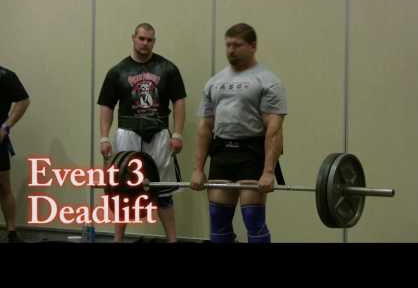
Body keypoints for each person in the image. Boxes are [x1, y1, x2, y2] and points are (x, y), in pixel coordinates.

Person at [191, 23, 287, 243]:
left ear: (253, 46)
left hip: (251, 154)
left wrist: (269, 171)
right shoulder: (214, 82)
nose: (231, 50)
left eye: (237, 45)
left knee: (253, 219)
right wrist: (197, 169)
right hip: (222, 153)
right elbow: (205, 127)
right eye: (228, 45)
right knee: (218, 221)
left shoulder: (268, 81)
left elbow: (274, 129)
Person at [97, 23, 186, 243]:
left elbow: (179, 101)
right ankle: (118, 239)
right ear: (133, 38)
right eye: (142, 39)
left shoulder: (168, 69)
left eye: (150, 40)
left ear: (154, 42)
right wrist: (104, 136)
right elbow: (107, 106)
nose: (145, 43)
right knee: (123, 189)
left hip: (159, 133)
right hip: (127, 133)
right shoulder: (117, 71)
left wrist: (178, 134)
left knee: (162, 191)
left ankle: (172, 240)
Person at [0, 66, 30, 243]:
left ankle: (11, 232)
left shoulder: (5, 75)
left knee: (3, 186)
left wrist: (6, 127)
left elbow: (23, 101)